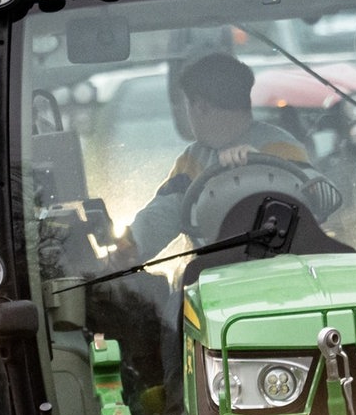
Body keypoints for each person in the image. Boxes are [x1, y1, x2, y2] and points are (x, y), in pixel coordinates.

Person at [118, 52, 319, 261]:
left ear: (200, 106)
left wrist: (267, 170)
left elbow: (320, 193)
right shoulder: (191, 163)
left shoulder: (281, 147)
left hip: (285, 271)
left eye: (187, 105)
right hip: (211, 278)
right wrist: (123, 251)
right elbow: (157, 219)